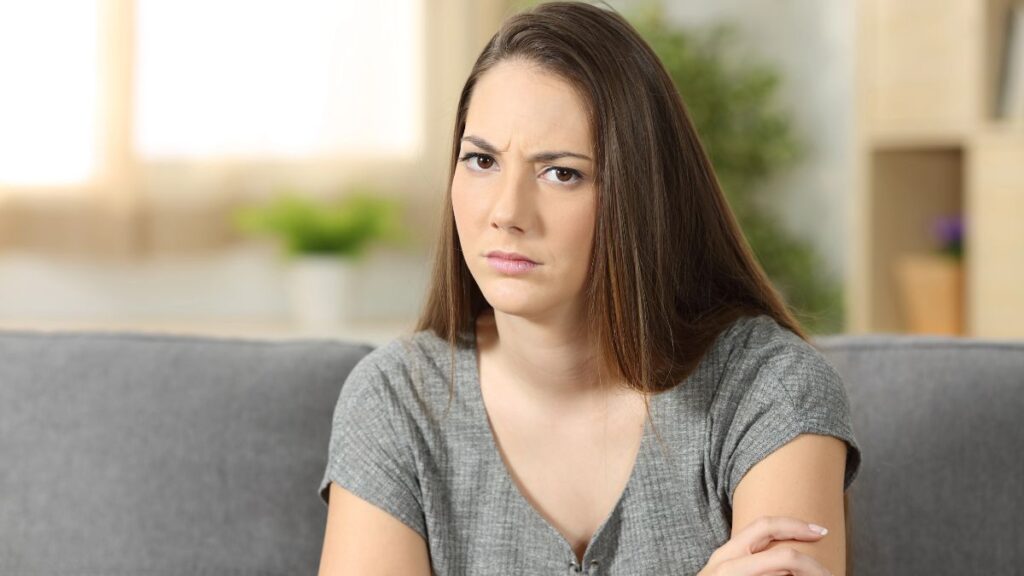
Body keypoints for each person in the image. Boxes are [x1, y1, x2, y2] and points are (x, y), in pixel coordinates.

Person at [316, 2, 862, 575]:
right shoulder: (396, 401)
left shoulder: (767, 390)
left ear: (639, 195)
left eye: (562, 173)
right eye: (481, 160)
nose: (506, 212)